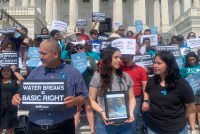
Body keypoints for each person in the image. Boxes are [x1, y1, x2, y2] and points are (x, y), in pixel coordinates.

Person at [12, 39, 88, 134]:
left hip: (62, 128)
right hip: (35, 128)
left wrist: (75, 101)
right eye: (40, 53)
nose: (40, 57)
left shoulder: (73, 73)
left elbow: (84, 96)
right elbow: (22, 93)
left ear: (55, 54)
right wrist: (17, 97)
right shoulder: (35, 73)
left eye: (44, 54)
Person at [142, 50, 196, 134]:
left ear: (169, 65)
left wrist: (192, 129)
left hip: (176, 129)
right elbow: (147, 92)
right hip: (153, 128)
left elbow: (191, 109)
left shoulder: (182, 84)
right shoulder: (151, 81)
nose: (155, 66)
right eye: (154, 62)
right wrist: (145, 101)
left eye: (159, 63)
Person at [89, 47, 136, 134]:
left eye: (120, 58)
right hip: (104, 125)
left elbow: (132, 98)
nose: (119, 60)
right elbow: (91, 100)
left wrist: (131, 111)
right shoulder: (97, 77)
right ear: (108, 58)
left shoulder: (126, 76)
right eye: (116, 57)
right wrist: (102, 111)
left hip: (125, 125)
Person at [73, 44, 97, 134]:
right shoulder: (74, 59)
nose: (79, 50)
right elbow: (72, 72)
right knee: (77, 109)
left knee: (89, 108)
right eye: (77, 48)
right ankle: (74, 129)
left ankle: (92, 130)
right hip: (78, 87)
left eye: (81, 48)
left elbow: (95, 71)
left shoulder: (90, 59)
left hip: (89, 85)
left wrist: (94, 83)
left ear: (84, 49)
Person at [122, 54, 148, 134]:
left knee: (133, 123)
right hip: (121, 99)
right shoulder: (118, 68)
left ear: (130, 56)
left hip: (136, 99)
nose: (122, 57)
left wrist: (145, 100)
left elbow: (145, 86)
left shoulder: (140, 69)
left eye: (124, 55)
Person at [0, 65, 24, 134]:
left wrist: (15, 71)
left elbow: (23, 82)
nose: (6, 72)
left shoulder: (15, 81)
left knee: (10, 130)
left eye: (8, 71)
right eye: (4, 71)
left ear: (11, 72)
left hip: (10, 109)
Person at [180, 52, 200, 133]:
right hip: (189, 91)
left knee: (199, 110)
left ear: (196, 59)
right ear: (187, 60)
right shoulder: (184, 68)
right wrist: (188, 78)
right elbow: (180, 79)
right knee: (191, 110)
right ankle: (193, 130)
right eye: (190, 60)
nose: (192, 61)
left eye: (193, 59)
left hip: (199, 90)